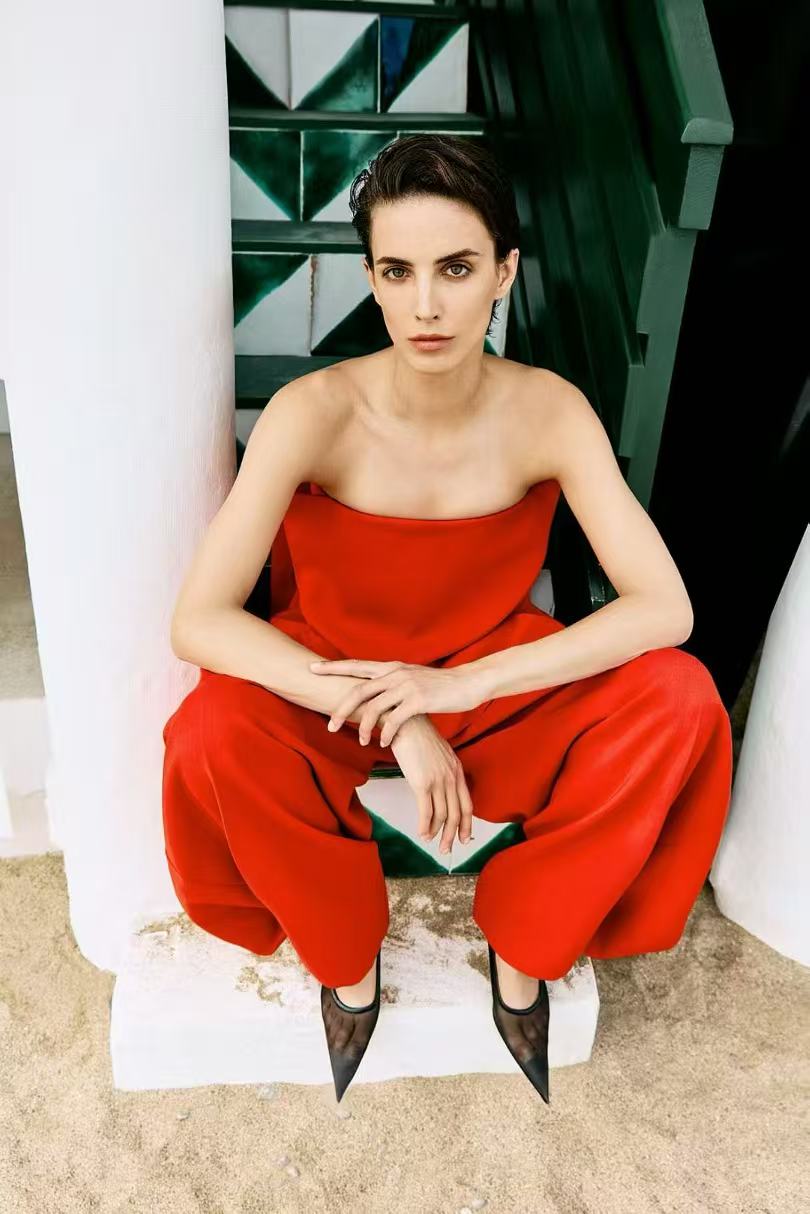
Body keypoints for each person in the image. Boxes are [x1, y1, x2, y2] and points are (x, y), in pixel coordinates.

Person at [161, 134, 734, 1106]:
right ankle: (347, 959)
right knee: (215, 722)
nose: (425, 304)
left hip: (488, 673)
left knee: (679, 697)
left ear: (505, 272)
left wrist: (458, 684)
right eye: (398, 271)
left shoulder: (549, 411)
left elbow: (664, 607)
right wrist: (403, 716)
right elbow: (202, 621)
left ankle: (527, 946)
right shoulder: (312, 411)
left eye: (457, 269)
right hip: (333, 677)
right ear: (372, 281)